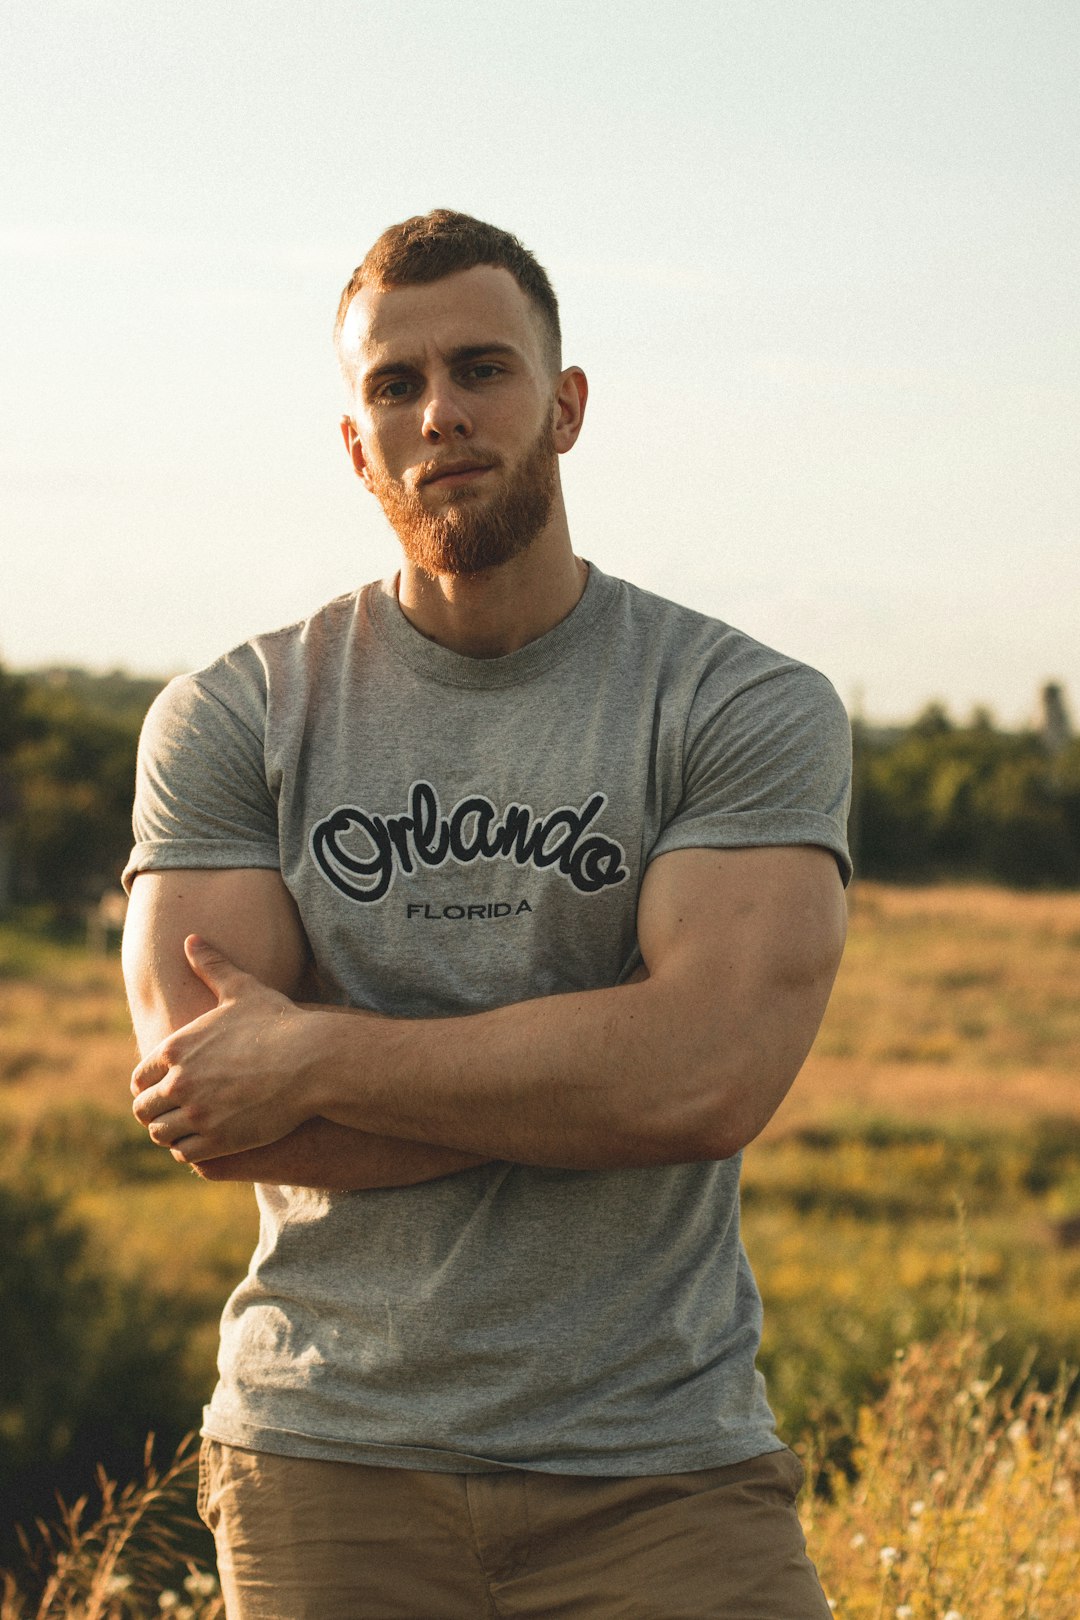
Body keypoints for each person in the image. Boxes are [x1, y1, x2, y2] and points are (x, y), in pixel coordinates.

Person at [122, 209, 851, 1619]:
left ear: (564, 405)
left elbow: (705, 1077)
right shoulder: (237, 715)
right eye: (395, 385)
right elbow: (218, 1107)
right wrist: (590, 1079)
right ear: (355, 444)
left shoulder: (735, 703)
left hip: (661, 1473)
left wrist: (321, 1053)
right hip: (324, 1465)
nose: (440, 413)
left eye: (482, 369)